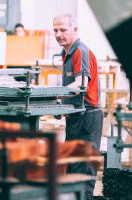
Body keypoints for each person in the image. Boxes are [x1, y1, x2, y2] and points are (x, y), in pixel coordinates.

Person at [53, 14, 103, 200]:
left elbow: (80, 85)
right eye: (55, 30)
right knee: (73, 165)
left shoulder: (80, 51)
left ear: (74, 30)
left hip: (88, 116)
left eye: (63, 30)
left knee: (85, 166)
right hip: (75, 115)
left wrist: (51, 95)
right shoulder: (66, 53)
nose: (59, 34)